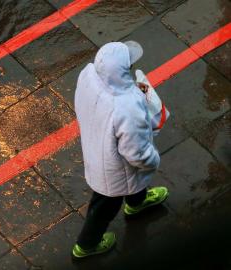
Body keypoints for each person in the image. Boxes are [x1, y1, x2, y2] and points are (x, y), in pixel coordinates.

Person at [72, 41, 169, 258]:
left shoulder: (88, 75)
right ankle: (86, 245)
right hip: (114, 170)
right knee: (104, 206)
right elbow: (137, 154)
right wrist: (153, 159)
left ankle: (137, 202)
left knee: (132, 182)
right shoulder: (127, 107)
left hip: (97, 145)